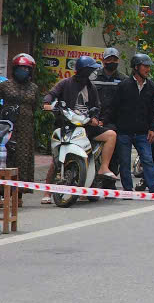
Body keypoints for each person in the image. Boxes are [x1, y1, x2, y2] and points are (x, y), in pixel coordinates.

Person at [43, 55, 119, 183]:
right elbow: (51, 94)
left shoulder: (91, 87)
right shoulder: (65, 83)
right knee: (57, 159)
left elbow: (97, 106)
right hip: (67, 126)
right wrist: (47, 104)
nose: (92, 72)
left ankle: (104, 167)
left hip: (86, 126)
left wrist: (95, 118)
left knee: (111, 135)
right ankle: (48, 191)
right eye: (90, 70)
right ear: (83, 70)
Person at [109, 53, 154, 193]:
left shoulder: (151, 87)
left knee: (148, 160)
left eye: (149, 67)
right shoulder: (124, 86)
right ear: (136, 67)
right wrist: (112, 125)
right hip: (124, 132)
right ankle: (127, 189)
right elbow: (114, 107)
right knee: (124, 162)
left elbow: (153, 110)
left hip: (143, 132)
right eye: (145, 66)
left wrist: (152, 128)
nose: (148, 69)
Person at [0, 54, 40, 204]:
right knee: (6, 159)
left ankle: (18, 196)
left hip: (25, 129)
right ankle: (3, 193)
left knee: (22, 160)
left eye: (26, 68)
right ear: (14, 69)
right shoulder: (5, 85)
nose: (23, 71)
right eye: (20, 68)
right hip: (7, 127)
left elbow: (35, 107)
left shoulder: (34, 88)